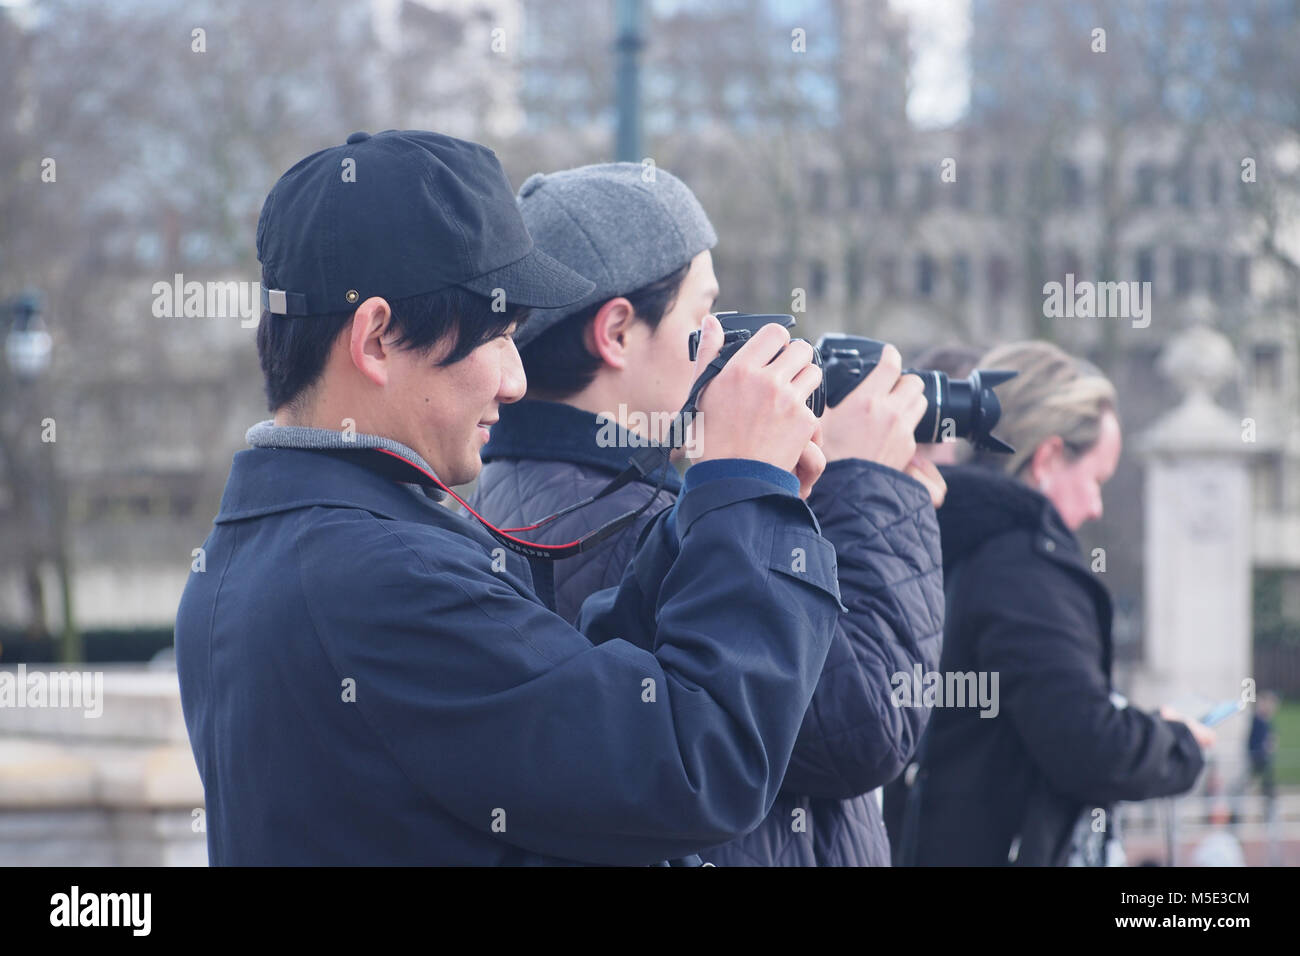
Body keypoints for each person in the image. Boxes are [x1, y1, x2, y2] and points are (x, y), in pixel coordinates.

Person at [173, 131, 847, 866]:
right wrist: (748, 492)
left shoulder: (271, 546)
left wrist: (717, 508)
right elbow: (696, 767)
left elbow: (565, 699)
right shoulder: (379, 577)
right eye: (497, 337)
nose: (514, 380)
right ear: (375, 340)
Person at [469, 162, 947, 866]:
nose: (722, 344)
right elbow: (864, 724)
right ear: (617, 333)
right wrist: (867, 485)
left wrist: (775, 506)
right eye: (703, 319)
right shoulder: (629, 524)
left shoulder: (511, 499)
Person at [896, 340, 1213, 866]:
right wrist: (1177, 744)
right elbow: (1085, 746)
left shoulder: (941, 537)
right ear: (1046, 458)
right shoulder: (1024, 571)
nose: (1095, 506)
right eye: (1095, 479)